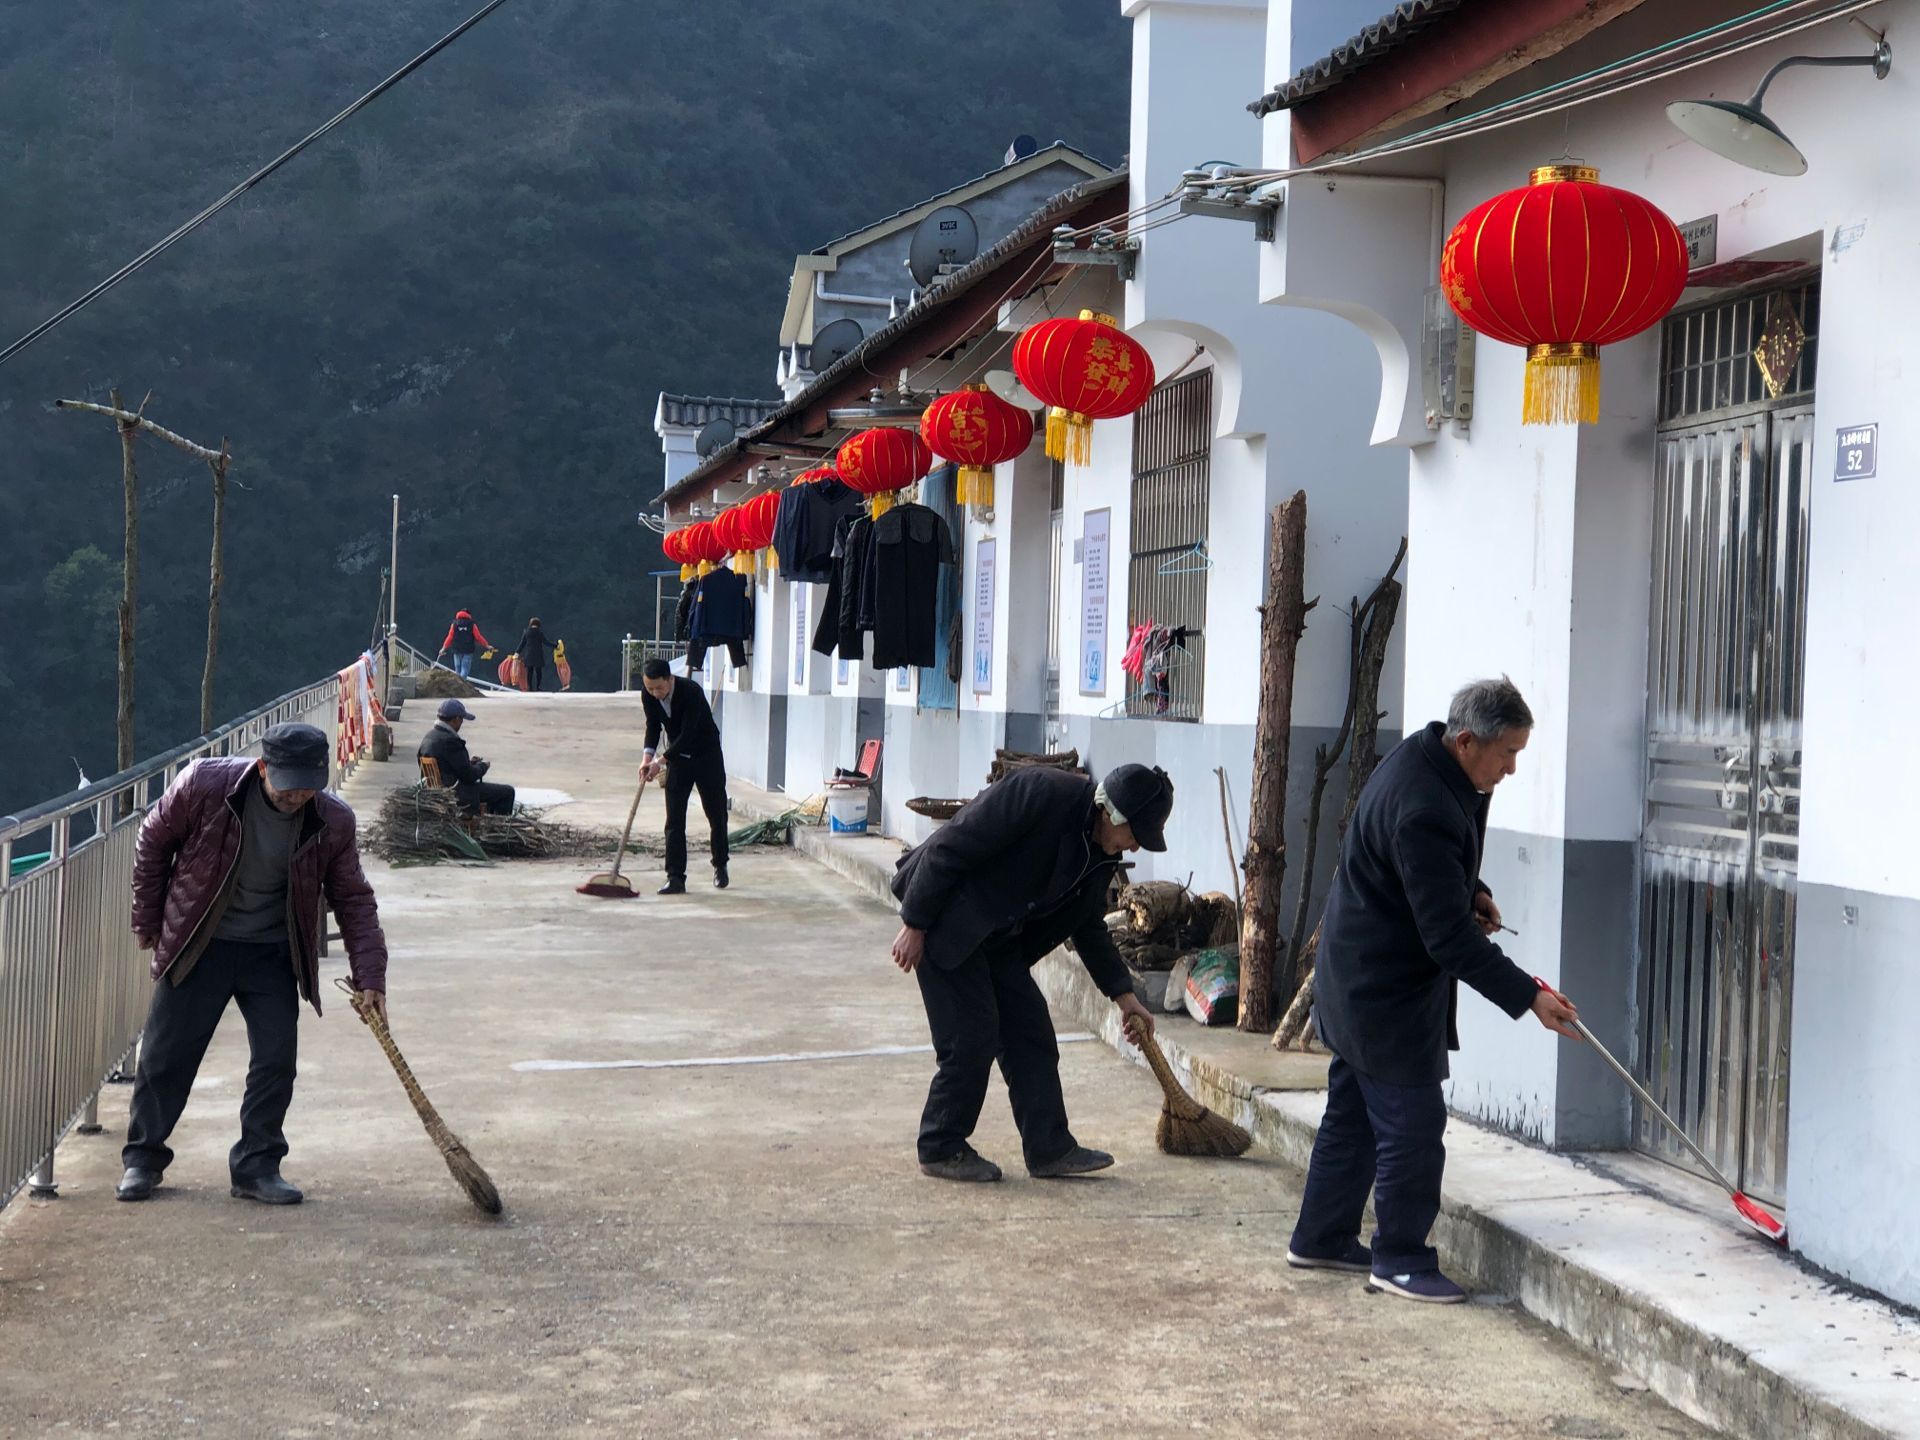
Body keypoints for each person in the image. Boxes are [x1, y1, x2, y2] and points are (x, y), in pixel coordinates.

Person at [1288, 677, 1580, 1303]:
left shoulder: (1434, 762)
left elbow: (1419, 873)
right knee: (1412, 1127)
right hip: (1380, 989)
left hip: (1361, 973)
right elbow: (1448, 940)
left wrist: (1468, 892)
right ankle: (1399, 1259)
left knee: (1351, 1119)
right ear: (1468, 740)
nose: (1510, 769)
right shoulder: (1424, 803)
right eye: (1507, 754)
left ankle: (1322, 1236)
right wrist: (1529, 995)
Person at [118, 722, 388, 1206]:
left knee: (275, 1060)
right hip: (202, 940)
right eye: (288, 784)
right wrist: (148, 917)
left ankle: (257, 1166)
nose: (298, 795)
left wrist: (370, 977)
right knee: (165, 1055)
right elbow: (152, 843)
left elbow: (354, 900)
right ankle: (142, 1159)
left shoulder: (332, 821)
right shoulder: (204, 785)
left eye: (309, 783)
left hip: (272, 951)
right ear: (262, 767)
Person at [889, 762, 1168, 1183]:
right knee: (971, 1035)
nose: (1133, 849)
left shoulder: (1100, 852)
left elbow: (1088, 925)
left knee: (1030, 1033)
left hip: (1000, 937)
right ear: (1112, 814)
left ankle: (1049, 1149)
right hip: (947, 918)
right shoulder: (1040, 793)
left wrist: (1124, 996)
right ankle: (940, 1145)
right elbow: (952, 845)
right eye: (1135, 836)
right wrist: (915, 922)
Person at [638, 657, 729, 895]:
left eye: (659, 687)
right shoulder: (648, 694)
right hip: (678, 760)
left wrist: (660, 761)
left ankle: (720, 865)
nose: (655, 693)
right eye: (650, 688)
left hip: (706, 755)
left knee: (716, 813)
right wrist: (647, 757)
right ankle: (675, 877)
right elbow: (653, 726)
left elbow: (689, 734)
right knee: (674, 819)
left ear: (670, 679)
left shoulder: (691, 691)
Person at [417, 698, 515, 815]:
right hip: (456, 794)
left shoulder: (429, 737)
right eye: (461, 719)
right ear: (455, 719)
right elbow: (469, 776)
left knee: (494, 791)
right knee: (507, 792)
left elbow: (451, 766)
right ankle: (500, 828)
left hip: (439, 790)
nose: (461, 723)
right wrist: (483, 766)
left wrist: (470, 763)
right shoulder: (450, 741)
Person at [437, 609, 493, 681]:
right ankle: (461, 683)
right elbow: (478, 637)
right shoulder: (472, 624)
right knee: (465, 669)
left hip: (456, 649)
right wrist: (487, 645)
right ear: (468, 615)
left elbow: (450, 637)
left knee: (458, 669)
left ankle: (457, 684)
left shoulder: (454, 624)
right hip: (468, 650)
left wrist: (443, 648)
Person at [516, 617, 557, 692]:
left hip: (529, 654)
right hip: (538, 654)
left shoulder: (526, 632)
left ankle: (530, 687)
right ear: (538, 624)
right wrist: (555, 646)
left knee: (529, 671)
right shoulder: (539, 633)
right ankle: (538, 687)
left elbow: (522, 644)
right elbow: (546, 642)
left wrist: (517, 652)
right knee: (538, 671)